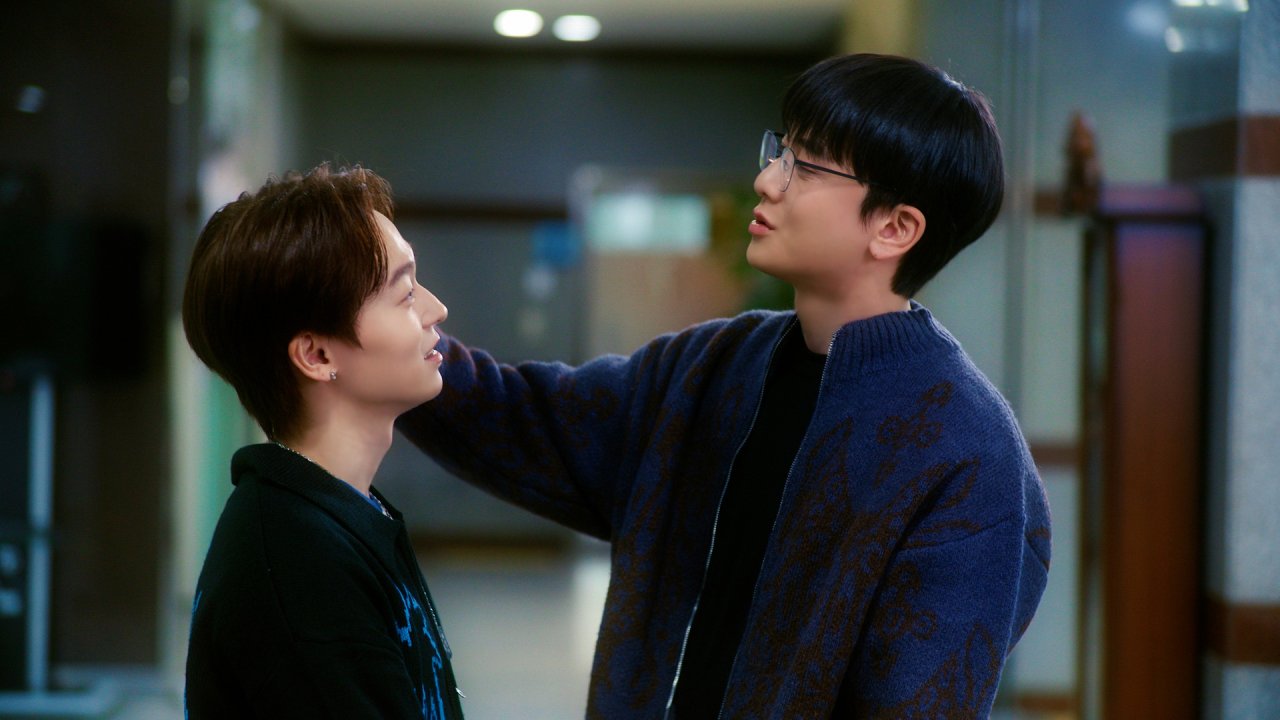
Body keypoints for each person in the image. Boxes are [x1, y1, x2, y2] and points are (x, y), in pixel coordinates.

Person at [398, 53, 1051, 718]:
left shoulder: (970, 455)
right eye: (782, 151)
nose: (767, 179)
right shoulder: (717, 365)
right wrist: (390, 326)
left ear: (895, 228)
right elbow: (522, 419)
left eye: (808, 165)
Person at [182, 165, 465, 719]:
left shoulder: (339, 514)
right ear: (317, 355)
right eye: (406, 294)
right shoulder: (299, 568)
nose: (436, 309)